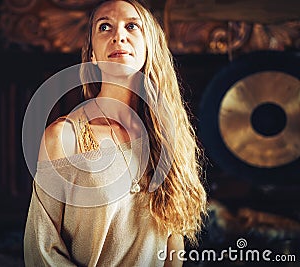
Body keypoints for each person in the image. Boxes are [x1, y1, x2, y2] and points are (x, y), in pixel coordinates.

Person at [24, 0, 207, 266]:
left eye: (132, 26)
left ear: (149, 46)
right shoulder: (64, 138)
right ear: (93, 54)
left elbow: (173, 242)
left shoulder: (168, 137)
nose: (118, 35)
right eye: (105, 27)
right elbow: (42, 250)